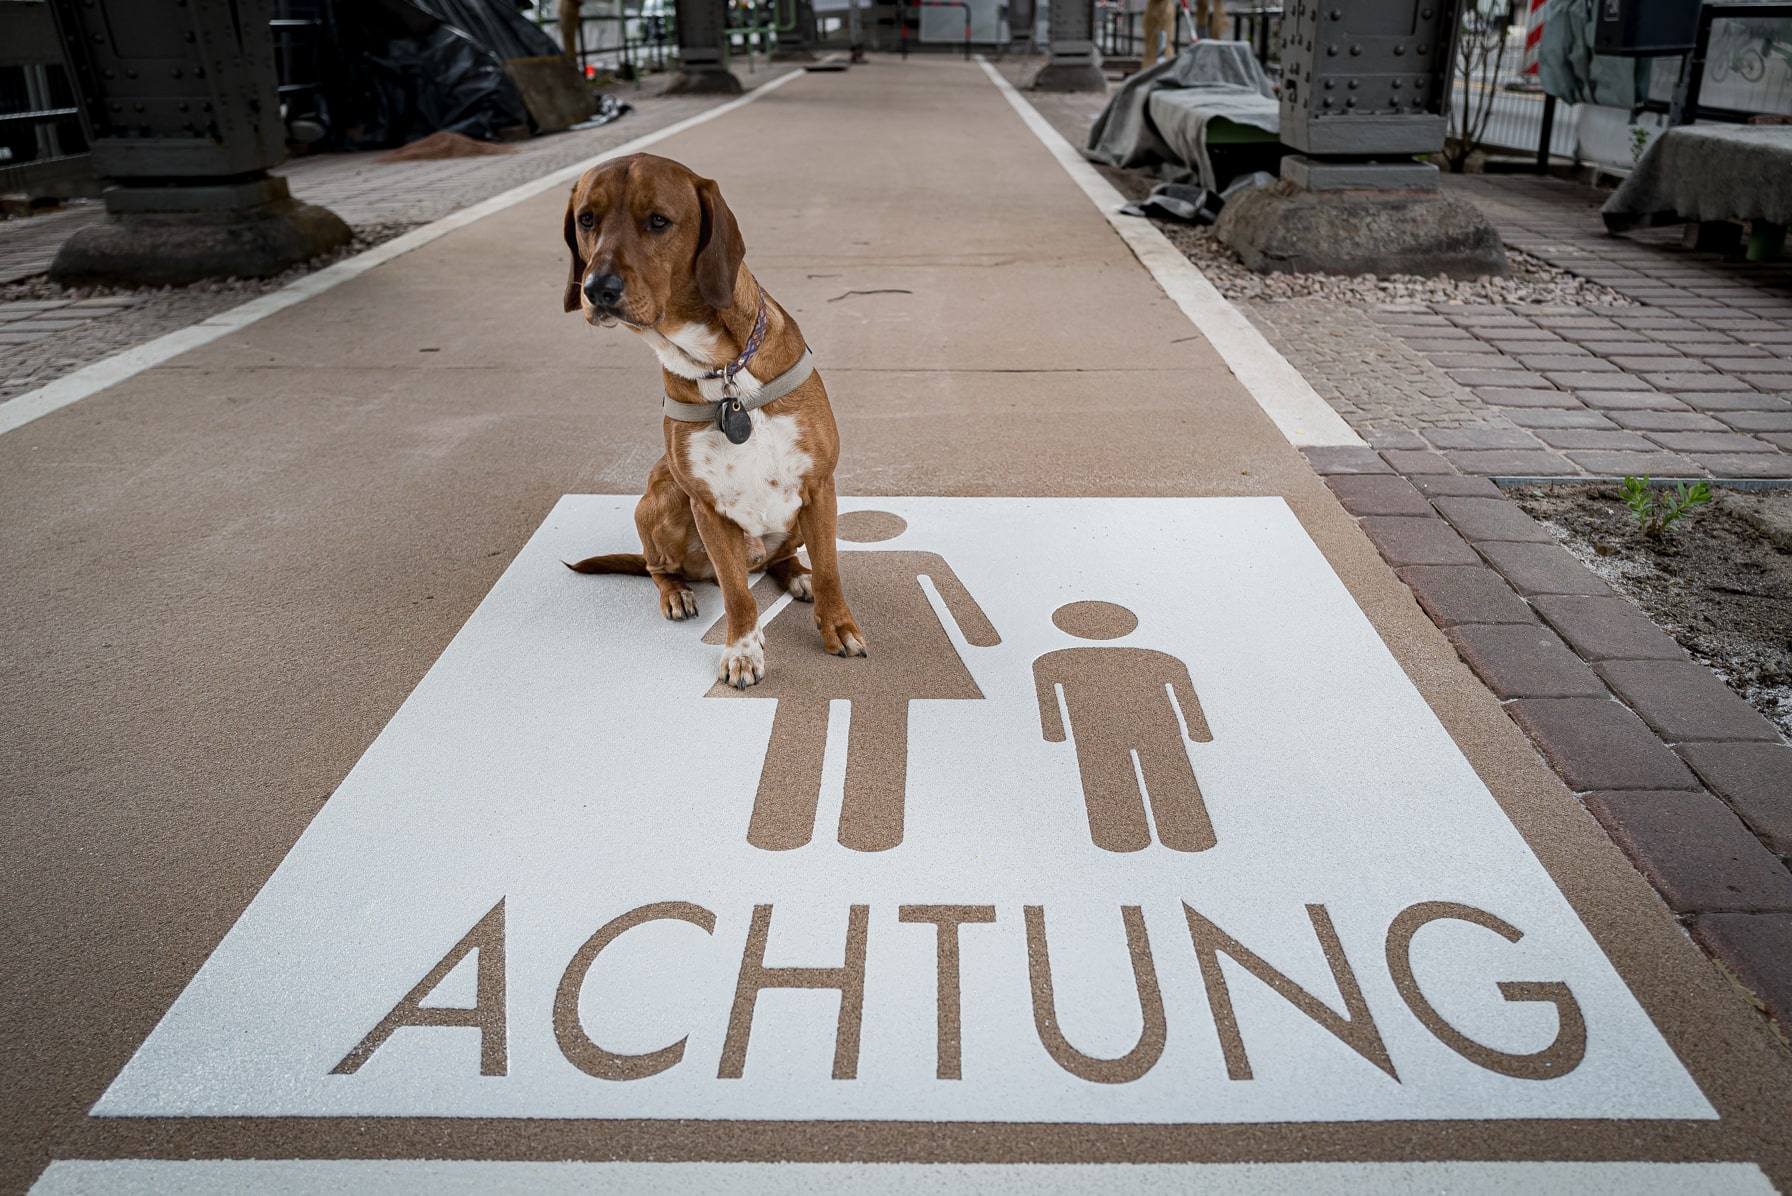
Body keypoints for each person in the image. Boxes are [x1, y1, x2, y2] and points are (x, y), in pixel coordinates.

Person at [706, 512, 999, 852]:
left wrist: (977, 633)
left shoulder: (918, 559)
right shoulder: (921, 559)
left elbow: (948, 595)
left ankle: (875, 829)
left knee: (879, 740)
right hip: (822, 678)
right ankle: (781, 827)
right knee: (800, 738)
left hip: (901, 678)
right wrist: (981, 636)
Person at [1032, 601, 1215, 852]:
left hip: (1110, 731)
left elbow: (1048, 700)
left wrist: (1055, 733)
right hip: (1123, 732)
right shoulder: (1160, 660)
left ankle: (1134, 838)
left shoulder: (1054, 660)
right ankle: (1175, 836)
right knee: (1124, 780)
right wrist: (1198, 731)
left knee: (1126, 778)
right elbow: (1185, 697)